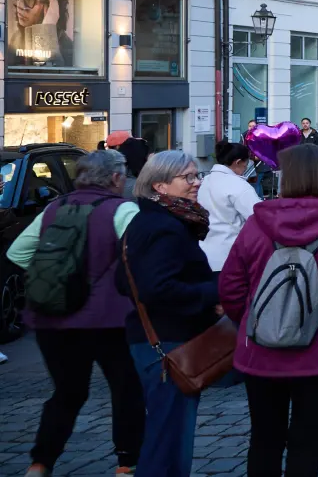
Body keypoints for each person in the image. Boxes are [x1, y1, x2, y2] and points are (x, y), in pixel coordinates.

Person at [219, 144, 318, 477]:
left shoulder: (256, 224)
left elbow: (231, 287)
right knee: (307, 440)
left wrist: (251, 319)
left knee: (264, 438)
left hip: (259, 348)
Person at [7, 151, 143, 477]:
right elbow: (139, 257)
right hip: (109, 321)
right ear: (115, 178)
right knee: (126, 390)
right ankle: (127, 463)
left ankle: (40, 463)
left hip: (52, 320)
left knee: (67, 393)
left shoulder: (54, 208)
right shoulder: (122, 209)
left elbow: (17, 252)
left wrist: (59, 278)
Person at [117, 151, 219, 477]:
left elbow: (125, 280)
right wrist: (213, 293)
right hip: (167, 344)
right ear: (160, 185)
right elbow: (156, 288)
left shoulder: (151, 220)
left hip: (160, 340)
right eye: (188, 177)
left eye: (196, 175)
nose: (196, 183)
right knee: (169, 441)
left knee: (167, 434)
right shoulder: (163, 226)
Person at [197, 140, 260, 271]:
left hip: (203, 252)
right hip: (230, 254)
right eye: (245, 165)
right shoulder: (239, 185)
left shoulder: (204, 181)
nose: (245, 169)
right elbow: (258, 217)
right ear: (237, 162)